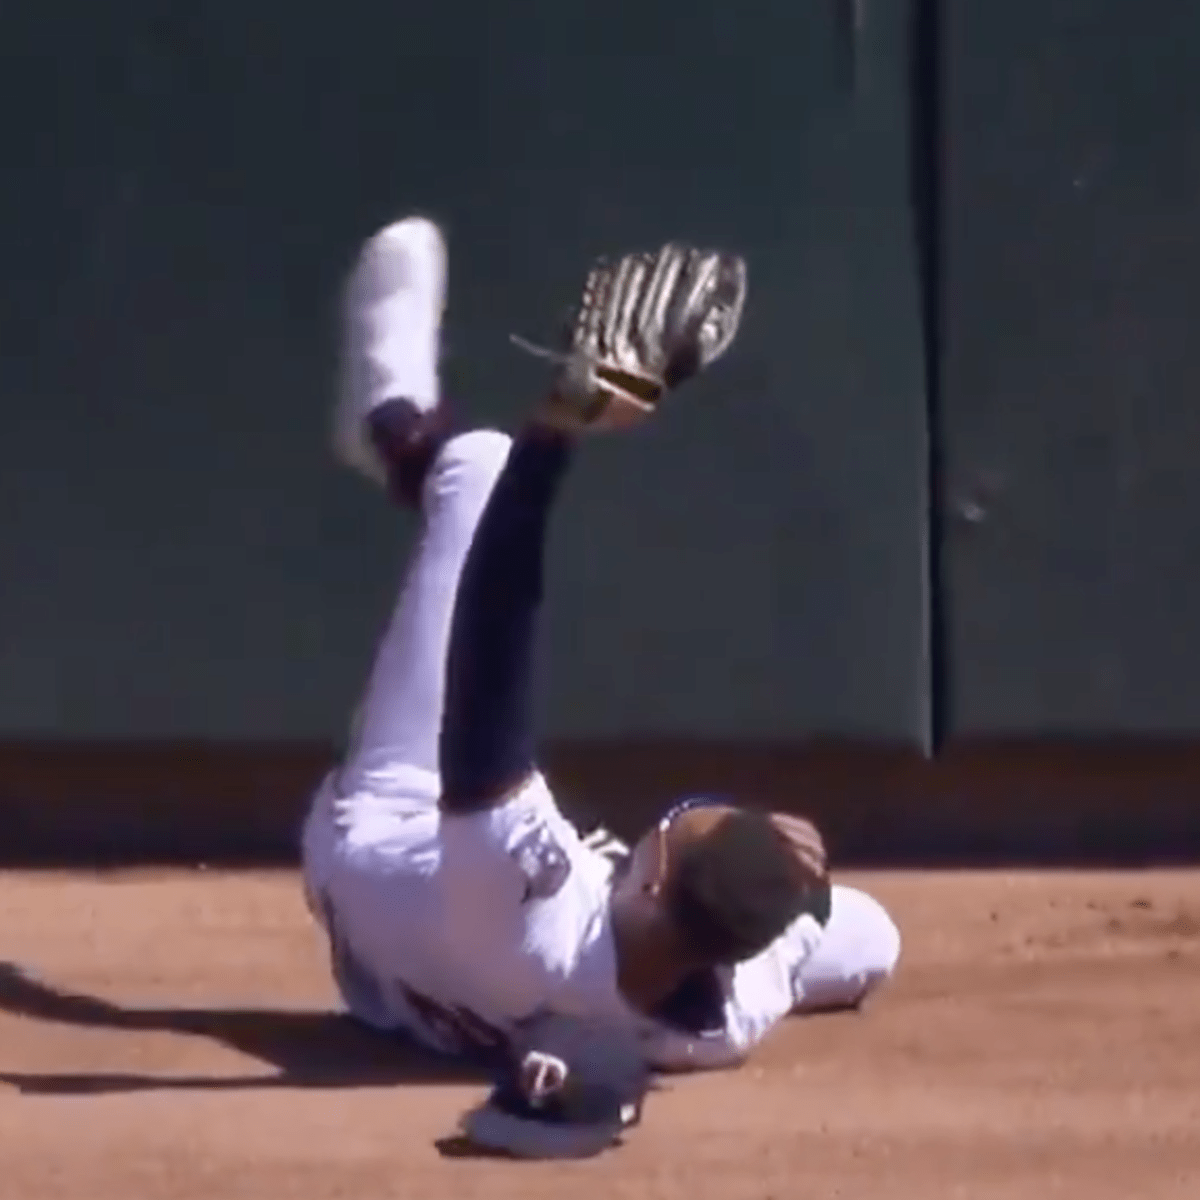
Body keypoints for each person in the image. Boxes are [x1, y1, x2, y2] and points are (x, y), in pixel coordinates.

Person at [300, 216, 902, 1091]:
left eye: (676, 828)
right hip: (436, 983)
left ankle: (390, 419)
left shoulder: (522, 902)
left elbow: (491, 644)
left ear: (652, 881)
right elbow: (872, 937)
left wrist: (555, 433)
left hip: (377, 847)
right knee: (864, 939)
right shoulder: (726, 1015)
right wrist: (777, 883)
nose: (667, 823)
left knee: (480, 472)